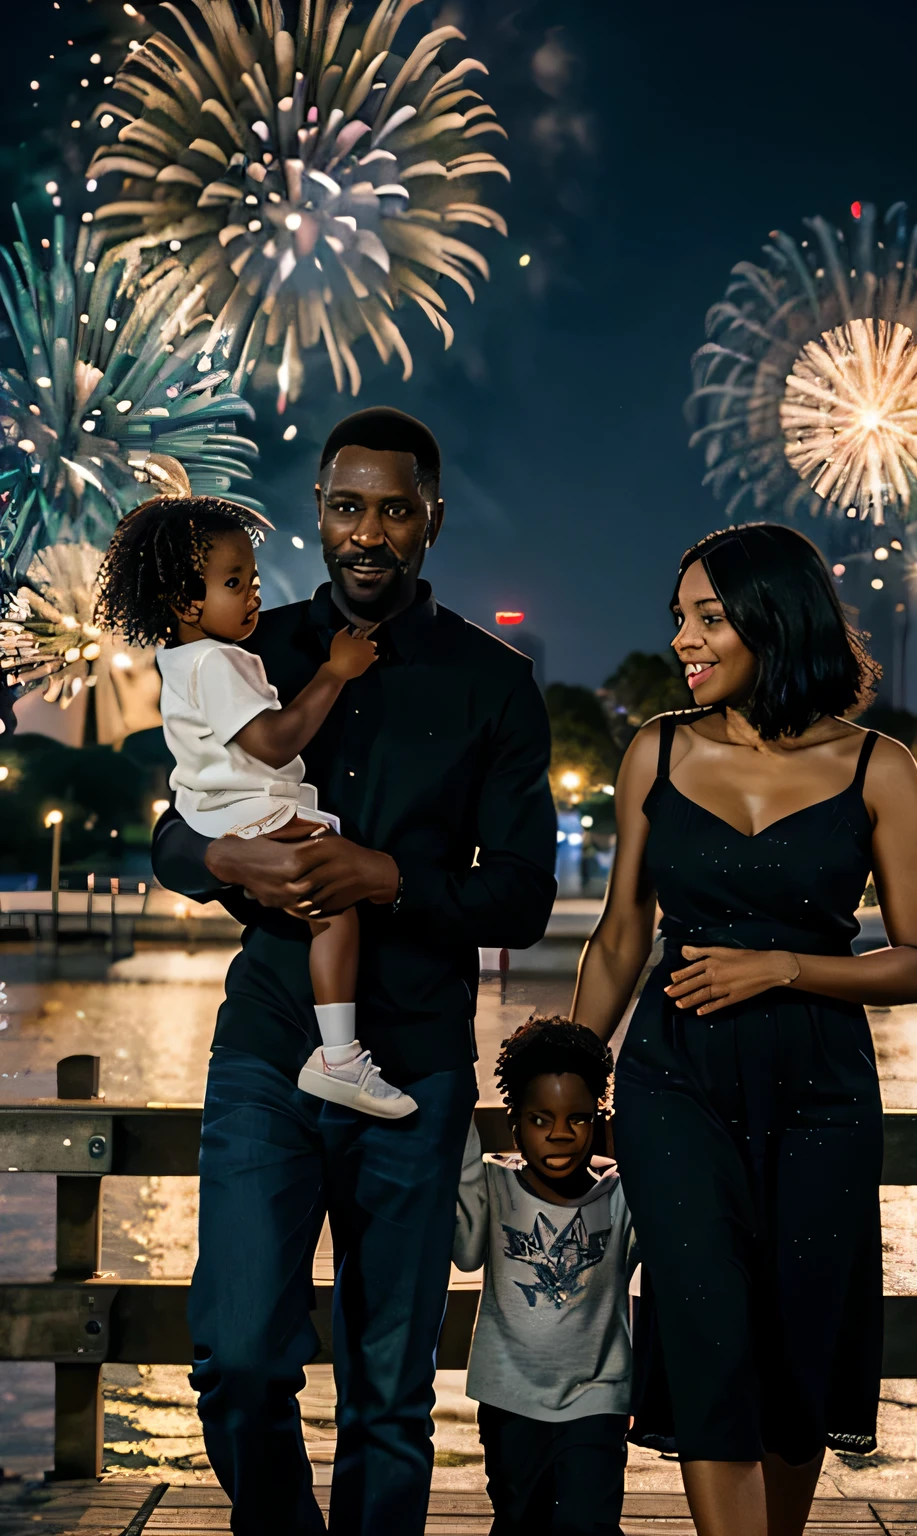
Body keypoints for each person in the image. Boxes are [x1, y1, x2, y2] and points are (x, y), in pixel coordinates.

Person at [149, 407, 558, 1536]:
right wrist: (220, 856)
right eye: (344, 506)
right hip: (268, 1048)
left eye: (392, 508)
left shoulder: (494, 683)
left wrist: (391, 879)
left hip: (416, 1064)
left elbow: (523, 893)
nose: (366, 531)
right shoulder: (244, 648)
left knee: (390, 1397)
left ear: (430, 518)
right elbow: (172, 832)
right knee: (236, 1358)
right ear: (316, 513)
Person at [570, 523, 917, 1536]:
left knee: (796, 1342)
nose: (683, 642)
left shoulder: (879, 767)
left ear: (773, 620)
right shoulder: (653, 749)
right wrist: (567, 1064)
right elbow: (618, 939)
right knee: (705, 1328)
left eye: (706, 618)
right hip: (673, 1078)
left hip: (821, 1088)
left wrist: (784, 967)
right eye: (678, 621)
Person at [95, 494, 414, 1117]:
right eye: (234, 583)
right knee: (336, 902)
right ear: (188, 603)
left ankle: (337, 1053)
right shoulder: (217, 661)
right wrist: (335, 672)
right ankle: (340, 1056)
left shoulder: (186, 659)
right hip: (246, 809)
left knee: (328, 900)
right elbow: (273, 742)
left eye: (253, 579)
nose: (253, 595)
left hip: (217, 808)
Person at [454, 1016, 634, 1536]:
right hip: (508, 1398)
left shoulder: (622, 1197)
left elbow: (671, 1233)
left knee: (587, 1523)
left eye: (578, 1118)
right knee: (520, 1522)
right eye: (540, 1119)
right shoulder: (492, 1183)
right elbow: (465, 1254)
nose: (559, 1133)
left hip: (597, 1398)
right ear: (515, 1123)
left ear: (598, 1120)